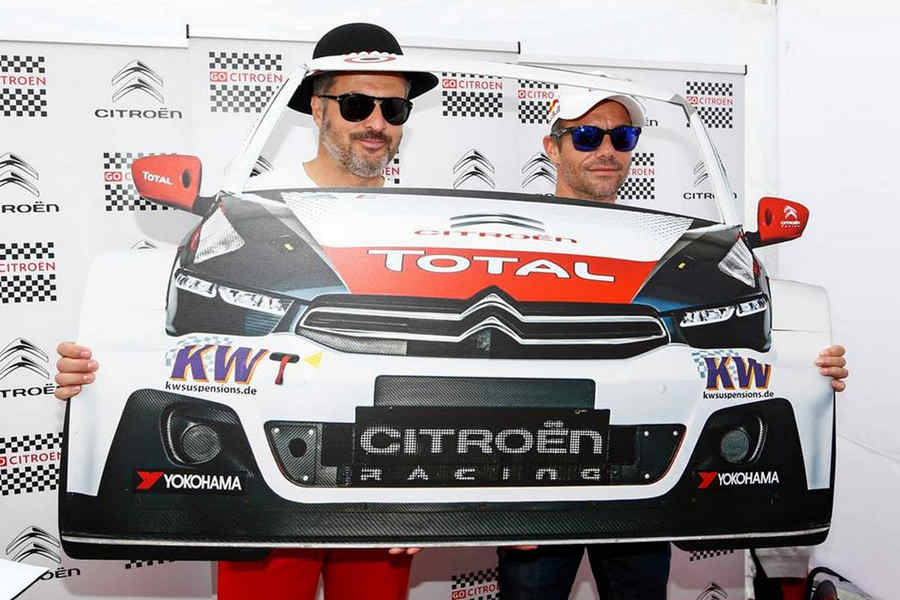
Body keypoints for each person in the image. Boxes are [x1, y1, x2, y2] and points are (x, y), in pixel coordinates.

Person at [55, 22, 437, 600]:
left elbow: (445, 356)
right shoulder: (248, 208)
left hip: (384, 475)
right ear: (318, 108)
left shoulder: (427, 222)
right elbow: (185, 324)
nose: (377, 123)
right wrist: (100, 371)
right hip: (261, 474)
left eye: (394, 108)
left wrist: (434, 493)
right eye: (357, 104)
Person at [495, 88, 850, 600]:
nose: (607, 150)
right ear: (553, 147)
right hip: (538, 469)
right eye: (588, 136)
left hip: (641, 468)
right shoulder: (507, 242)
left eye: (622, 137)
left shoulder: (663, 246)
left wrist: (803, 364)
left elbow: (721, 335)